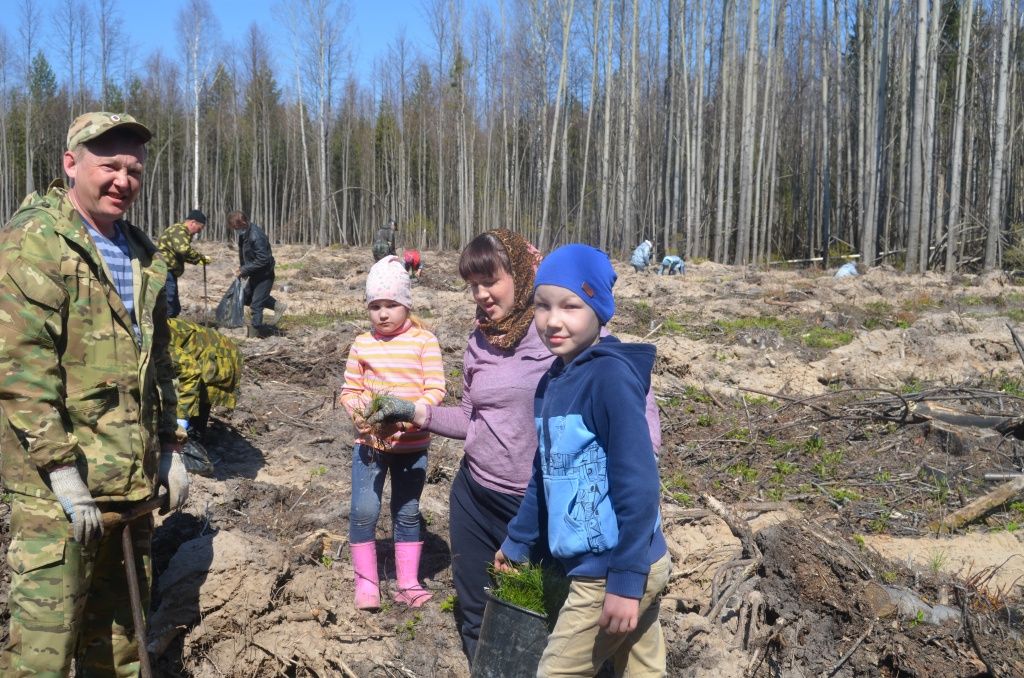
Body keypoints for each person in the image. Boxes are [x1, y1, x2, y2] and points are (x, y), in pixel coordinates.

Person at [366, 230, 662, 661]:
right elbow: (472, 419)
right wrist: (412, 411)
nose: (482, 295)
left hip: (541, 506)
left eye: (492, 281)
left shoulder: (568, 340)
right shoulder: (479, 341)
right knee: (475, 613)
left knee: (548, 622)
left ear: (523, 276)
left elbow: (639, 437)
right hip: (475, 496)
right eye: (473, 285)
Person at [0, 111, 190, 676]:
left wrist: (169, 445)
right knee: (44, 652)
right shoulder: (35, 243)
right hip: (60, 500)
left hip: (130, 486)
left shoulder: (138, 250)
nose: (123, 181)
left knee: (122, 647)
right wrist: (60, 472)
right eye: (109, 166)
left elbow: (157, 361)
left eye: (133, 169)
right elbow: (20, 368)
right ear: (70, 164)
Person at [495, 244, 671, 676]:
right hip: (614, 564)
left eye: (571, 306)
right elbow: (545, 473)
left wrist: (626, 581)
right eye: (542, 305)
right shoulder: (553, 381)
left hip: (614, 566)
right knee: (641, 670)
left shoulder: (610, 379)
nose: (553, 320)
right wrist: (518, 540)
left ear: (599, 310)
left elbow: (639, 483)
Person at [340, 256, 446, 610]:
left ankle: (407, 582)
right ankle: (367, 584)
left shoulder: (424, 341)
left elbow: (436, 390)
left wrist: (408, 415)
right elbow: (350, 390)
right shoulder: (362, 344)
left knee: (408, 511)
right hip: (371, 444)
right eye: (375, 306)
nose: (382, 314)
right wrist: (360, 416)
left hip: (413, 446)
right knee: (364, 510)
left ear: (406, 305)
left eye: (391, 305)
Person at [167, 317, 243, 442]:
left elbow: (190, 372)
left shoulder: (153, 339)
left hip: (219, 353)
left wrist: (181, 418)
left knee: (200, 401)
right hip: (198, 352)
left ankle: (195, 446)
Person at [227, 210, 286, 336]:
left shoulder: (256, 236)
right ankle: (276, 305)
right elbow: (245, 255)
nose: (236, 230)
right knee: (245, 298)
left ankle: (256, 333)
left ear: (243, 223)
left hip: (264, 275)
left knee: (256, 305)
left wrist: (245, 269)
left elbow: (263, 259)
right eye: (234, 228)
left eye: (237, 228)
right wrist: (243, 269)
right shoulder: (244, 235)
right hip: (255, 273)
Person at [158, 208, 212, 317]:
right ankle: (164, 330)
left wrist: (197, 260)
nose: (198, 232)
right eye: (199, 228)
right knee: (169, 305)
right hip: (165, 271)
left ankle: (171, 328)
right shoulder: (179, 230)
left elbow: (181, 254)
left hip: (170, 272)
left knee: (175, 307)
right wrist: (199, 257)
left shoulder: (181, 232)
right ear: (193, 223)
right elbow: (182, 250)